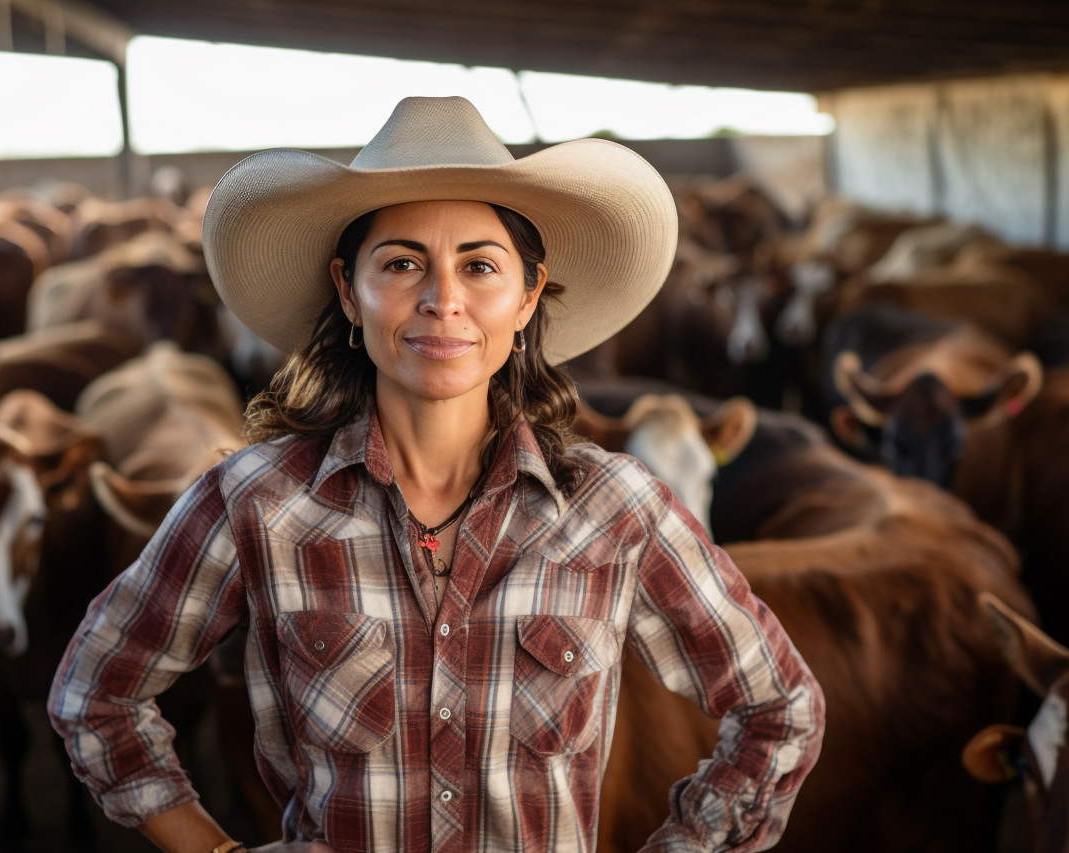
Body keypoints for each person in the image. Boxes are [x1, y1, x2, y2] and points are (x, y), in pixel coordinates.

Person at [48, 96, 824, 853]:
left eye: (479, 265)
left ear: (526, 299)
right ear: (350, 293)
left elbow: (780, 707)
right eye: (402, 262)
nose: (442, 298)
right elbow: (95, 694)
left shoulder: (614, 506)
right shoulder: (258, 500)